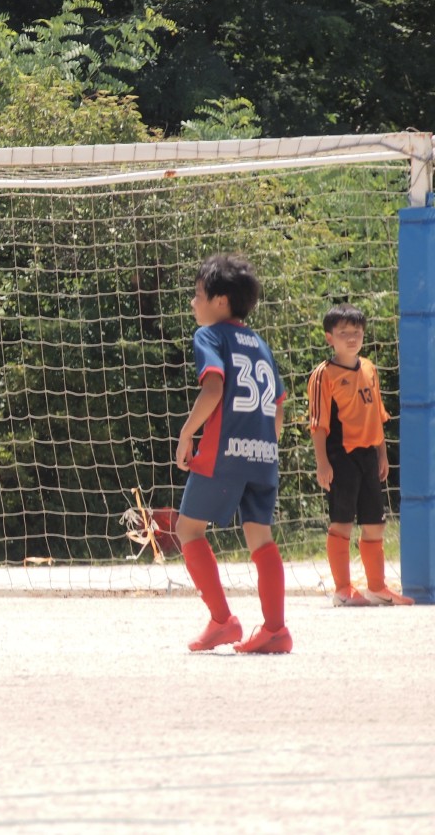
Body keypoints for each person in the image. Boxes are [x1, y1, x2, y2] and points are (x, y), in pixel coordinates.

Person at [174, 255, 291, 654]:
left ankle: (223, 621)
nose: (193, 302)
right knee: (261, 538)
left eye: (198, 294)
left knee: (188, 529)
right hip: (263, 453)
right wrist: (266, 447)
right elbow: (278, 404)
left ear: (220, 301)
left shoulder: (209, 336)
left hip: (224, 453)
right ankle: (275, 629)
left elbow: (213, 389)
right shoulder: (260, 343)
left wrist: (187, 434)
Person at [307, 303, 413, 607]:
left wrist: (382, 454)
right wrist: (322, 463)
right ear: (330, 337)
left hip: (369, 455)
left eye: (356, 332)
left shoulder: (369, 368)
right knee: (342, 521)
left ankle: (377, 587)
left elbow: (377, 414)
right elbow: (318, 424)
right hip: (341, 456)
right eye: (343, 333)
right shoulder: (323, 375)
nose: (351, 338)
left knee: (375, 522)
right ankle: (342, 590)